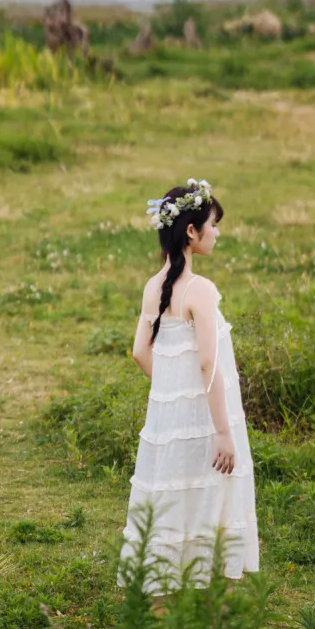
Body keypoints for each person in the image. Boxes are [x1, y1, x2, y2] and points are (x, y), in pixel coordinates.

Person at [119, 179, 259, 589]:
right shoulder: (201, 290)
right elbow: (208, 365)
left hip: (170, 422)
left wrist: (171, 395)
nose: (217, 233)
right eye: (213, 224)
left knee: (171, 503)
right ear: (192, 232)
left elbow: (140, 353)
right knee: (212, 504)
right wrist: (222, 431)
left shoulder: (153, 287)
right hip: (210, 420)